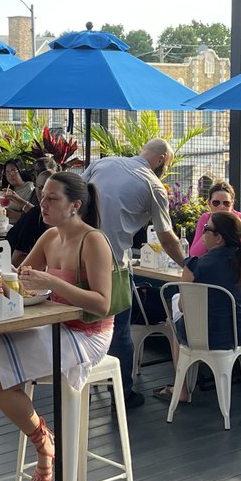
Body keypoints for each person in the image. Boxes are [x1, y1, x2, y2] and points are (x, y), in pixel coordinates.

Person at [0, 171, 114, 481]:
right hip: (55, 324)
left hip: (88, 334)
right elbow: (20, 280)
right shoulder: (49, 236)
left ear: (75, 206)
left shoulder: (93, 240)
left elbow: (102, 304)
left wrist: (51, 282)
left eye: (52, 198)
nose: (43, 203)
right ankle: (42, 438)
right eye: (43, 196)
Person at [86, 138, 185, 407]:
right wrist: (187, 265)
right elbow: (166, 237)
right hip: (114, 264)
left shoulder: (103, 163)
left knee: (80, 325)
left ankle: (81, 380)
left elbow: (76, 197)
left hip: (79, 258)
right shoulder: (154, 186)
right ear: (163, 159)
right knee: (120, 330)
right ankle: (123, 393)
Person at [154, 211, 241, 403]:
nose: (202, 232)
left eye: (207, 229)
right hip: (237, 335)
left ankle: (181, 388)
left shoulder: (195, 266)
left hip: (198, 337)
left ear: (218, 238)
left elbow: (184, 307)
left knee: (175, 319)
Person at [8, 159, 59, 266]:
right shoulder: (35, 214)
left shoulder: (88, 238)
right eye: (38, 187)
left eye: (45, 188)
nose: (42, 192)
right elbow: (18, 260)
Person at [189, 181, 241, 258]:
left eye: (226, 203)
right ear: (209, 203)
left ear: (232, 204)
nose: (221, 207)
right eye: (216, 203)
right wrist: (210, 226)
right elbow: (194, 254)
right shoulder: (205, 218)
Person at [0, 159, 35, 223]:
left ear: (21, 171)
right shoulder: (7, 188)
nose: (10, 175)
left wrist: (9, 213)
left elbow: (31, 216)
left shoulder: (30, 188)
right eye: (7, 172)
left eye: (13, 171)